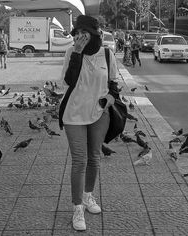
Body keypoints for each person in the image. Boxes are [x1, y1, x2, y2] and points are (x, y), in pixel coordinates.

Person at [59, 15, 119, 231]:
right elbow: (69, 81)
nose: (80, 38)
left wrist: (111, 97)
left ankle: (87, 196)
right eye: (77, 34)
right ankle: (77, 208)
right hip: (74, 114)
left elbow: (113, 82)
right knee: (79, 160)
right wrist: (77, 52)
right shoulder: (71, 52)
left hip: (99, 113)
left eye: (84, 34)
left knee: (94, 156)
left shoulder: (106, 54)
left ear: (94, 35)